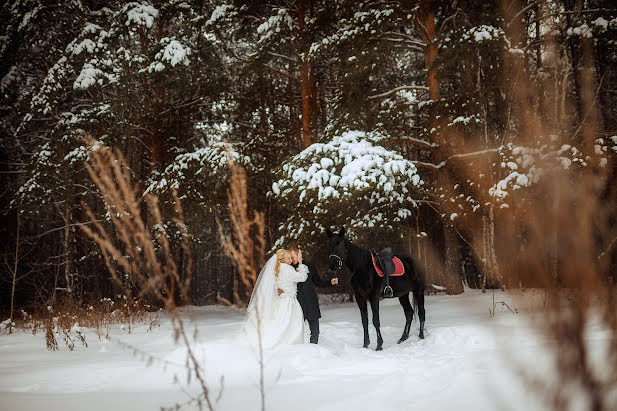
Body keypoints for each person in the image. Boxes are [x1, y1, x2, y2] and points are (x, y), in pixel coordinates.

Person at [242, 249, 309, 349]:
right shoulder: (288, 269)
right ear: (282, 260)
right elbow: (302, 277)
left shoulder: (275, 269)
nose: (290, 260)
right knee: (291, 323)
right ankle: (290, 344)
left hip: (279, 301)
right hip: (288, 302)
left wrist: (277, 290)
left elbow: (269, 285)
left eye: (291, 258)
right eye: (288, 258)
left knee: (279, 322)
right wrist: (300, 263)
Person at [281, 244, 339, 344]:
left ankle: (314, 351)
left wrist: (330, 282)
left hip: (311, 301)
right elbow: (283, 282)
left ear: (299, 253)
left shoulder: (309, 265)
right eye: (290, 257)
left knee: (315, 331)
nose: (291, 259)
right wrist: (280, 289)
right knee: (296, 331)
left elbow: (317, 282)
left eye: (293, 257)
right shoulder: (289, 268)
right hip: (298, 304)